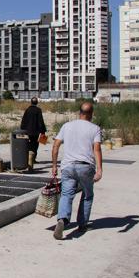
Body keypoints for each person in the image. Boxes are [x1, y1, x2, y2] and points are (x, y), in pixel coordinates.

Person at [51, 102, 103, 240]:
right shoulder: (95, 128)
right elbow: (96, 149)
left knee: (66, 195)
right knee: (87, 195)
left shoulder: (67, 126)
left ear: (79, 112)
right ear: (91, 114)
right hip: (86, 167)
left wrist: (54, 165)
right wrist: (99, 170)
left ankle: (62, 220)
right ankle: (82, 224)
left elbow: (55, 145)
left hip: (67, 166)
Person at [20, 97, 47, 164]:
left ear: (31, 102)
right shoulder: (38, 110)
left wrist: (22, 130)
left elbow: (24, 120)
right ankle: (33, 159)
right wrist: (43, 131)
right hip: (36, 132)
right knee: (35, 145)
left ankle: (28, 159)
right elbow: (41, 121)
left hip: (27, 132)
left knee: (28, 145)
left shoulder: (27, 110)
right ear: (37, 102)